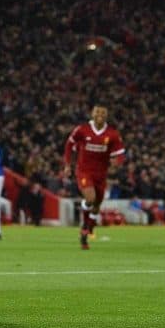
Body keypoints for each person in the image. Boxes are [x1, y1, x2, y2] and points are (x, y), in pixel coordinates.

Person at [63, 104, 125, 249]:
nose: (100, 115)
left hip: (101, 174)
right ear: (92, 113)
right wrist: (67, 164)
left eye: (103, 113)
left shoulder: (112, 134)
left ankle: (89, 228)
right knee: (90, 198)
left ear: (106, 115)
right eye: (97, 112)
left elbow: (120, 153)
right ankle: (84, 227)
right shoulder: (82, 130)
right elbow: (69, 145)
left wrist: (117, 161)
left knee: (97, 205)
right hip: (84, 171)